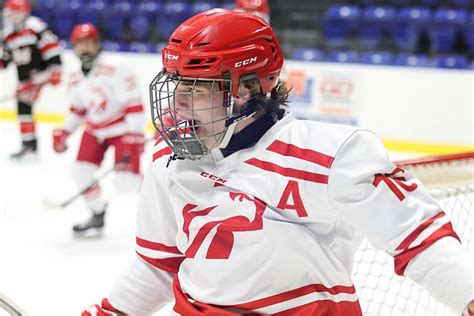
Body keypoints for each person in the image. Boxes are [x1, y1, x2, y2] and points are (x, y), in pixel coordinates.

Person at [82, 9, 474, 315]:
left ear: (249, 89)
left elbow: (420, 239)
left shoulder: (331, 156)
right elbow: (159, 264)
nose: (180, 102)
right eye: (177, 85)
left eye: (197, 88)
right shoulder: (168, 162)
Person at [53, 23, 146, 237]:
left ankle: (165, 199)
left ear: (97, 44)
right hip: (95, 130)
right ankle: (97, 213)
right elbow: (78, 108)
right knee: (80, 170)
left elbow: (133, 102)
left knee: (127, 183)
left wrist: (135, 133)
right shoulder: (75, 74)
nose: (84, 48)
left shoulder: (116, 66)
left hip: (122, 130)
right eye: (80, 44)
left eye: (89, 43)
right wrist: (65, 131)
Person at [0, 0, 62, 159]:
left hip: (40, 75)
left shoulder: (36, 27)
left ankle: (30, 146)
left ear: (21, 12)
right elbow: (5, 59)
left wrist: (54, 71)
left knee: (24, 106)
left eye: (11, 12)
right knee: (23, 109)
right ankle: (30, 145)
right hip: (25, 79)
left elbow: (53, 51)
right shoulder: (8, 33)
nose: (8, 15)